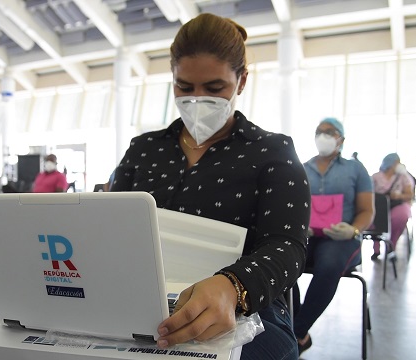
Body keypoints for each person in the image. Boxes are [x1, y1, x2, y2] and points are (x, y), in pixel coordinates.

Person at [110, 13, 310, 359]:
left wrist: (234, 285)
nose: (198, 99)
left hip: (244, 305)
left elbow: (288, 246)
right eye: (184, 87)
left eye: (215, 88)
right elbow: (110, 224)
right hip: (143, 295)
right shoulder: (144, 148)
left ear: (242, 81)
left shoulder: (271, 151)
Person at [294, 117, 374, 355]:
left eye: (330, 132)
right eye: (319, 131)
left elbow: (367, 210)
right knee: (284, 258)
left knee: (328, 264)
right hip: (310, 236)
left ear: (342, 139)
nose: (323, 136)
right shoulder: (303, 168)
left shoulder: (355, 169)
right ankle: (297, 330)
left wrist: (353, 230)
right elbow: (295, 206)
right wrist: (300, 225)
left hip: (342, 239)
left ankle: (295, 332)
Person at [370, 154, 415, 260]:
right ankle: (376, 249)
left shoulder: (404, 177)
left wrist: (399, 196)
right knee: (376, 216)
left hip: (398, 204)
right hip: (379, 206)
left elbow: (410, 195)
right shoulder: (375, 177)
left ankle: (391, 245)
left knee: (400, 216)